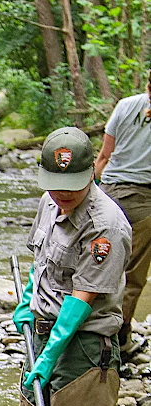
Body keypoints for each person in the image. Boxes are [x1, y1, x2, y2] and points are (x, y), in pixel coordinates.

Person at [14, 127, 132, 406]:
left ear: (92, 172)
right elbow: (41, 261)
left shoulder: (106, 227)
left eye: (72, 185)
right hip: (40, 332)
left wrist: (50, 355)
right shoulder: (49, 201)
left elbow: (83, 298)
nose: (62, 194)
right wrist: (27, 300)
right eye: (55, 183)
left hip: (83, 347)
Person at [94, 69, 151, 349]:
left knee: (99, 265)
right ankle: (119, 339)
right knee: (131, 276)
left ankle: (87, 333)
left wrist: (90, 193)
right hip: (143, 203)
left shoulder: (126, 105)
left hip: (108, 196)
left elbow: (104, 157)